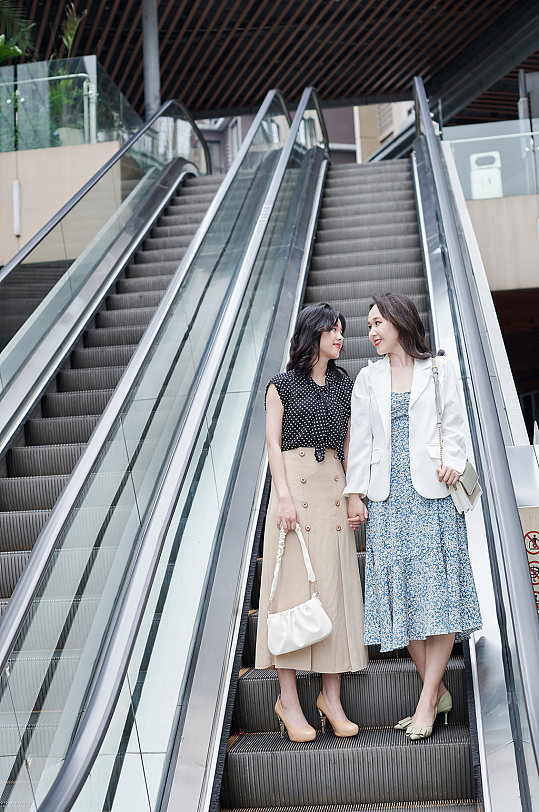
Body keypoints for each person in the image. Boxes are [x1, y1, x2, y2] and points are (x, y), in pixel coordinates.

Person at [344, 292, 481, 742]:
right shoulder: (368, 378)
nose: (373, 333)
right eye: (369, 327)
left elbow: (456, 428)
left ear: (400, 322)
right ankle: (437, 689)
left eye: (378, 323)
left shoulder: (439, 369)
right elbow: (360, 439)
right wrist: (355, 493)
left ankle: (426, 702)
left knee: (437, 596)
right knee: (400, 599)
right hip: (388, 499)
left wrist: (452, 462)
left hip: (433, 495)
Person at [255, 302, 368, 742]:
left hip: (333, 493)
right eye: (333, 331)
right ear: (313, 334)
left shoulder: (346, 385)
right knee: (291, 596)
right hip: (295, 497)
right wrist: (283, 497)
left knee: (334, 595)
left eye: (342, 331)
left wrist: (354, 495)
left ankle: (331, 699)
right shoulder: (280, 386)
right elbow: (272, 445)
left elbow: (351, 445)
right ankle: (289, 701)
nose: (341, 337)